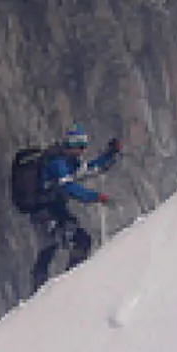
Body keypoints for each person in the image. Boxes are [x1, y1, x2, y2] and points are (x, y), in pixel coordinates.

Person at [29, 125, 123, 291]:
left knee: (60, 244)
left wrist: (109, 155)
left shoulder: (68, 162)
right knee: (62, 244)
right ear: (71, 145)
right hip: (46, 212)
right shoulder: (58, 164)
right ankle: (58, 288)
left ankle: (55, 286)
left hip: (54, 211)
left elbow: (90, 169)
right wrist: (97, 197)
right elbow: (69, 188)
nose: (83, 150)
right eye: (80, 146)